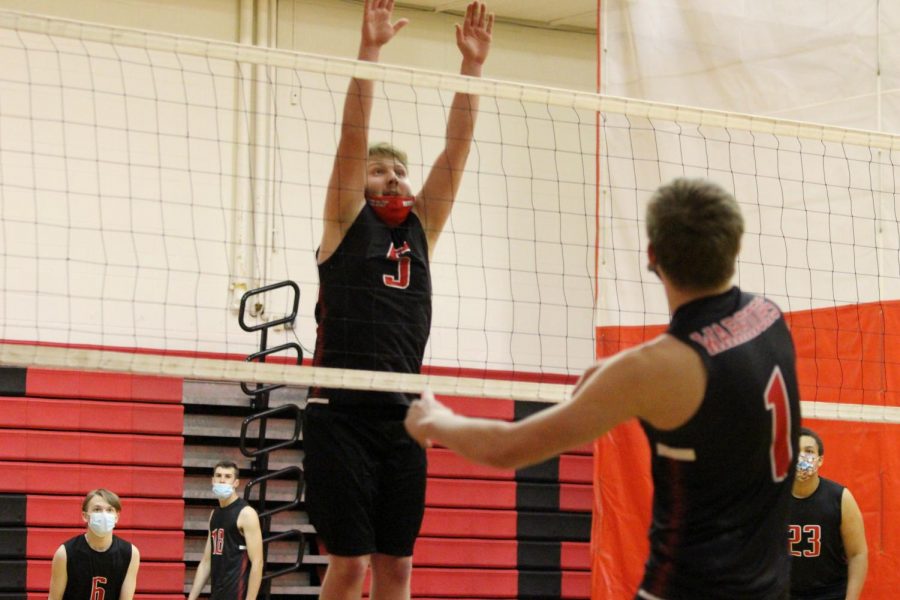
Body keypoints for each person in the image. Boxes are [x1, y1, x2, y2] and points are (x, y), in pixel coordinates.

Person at [406, 177, 803, 599]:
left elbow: (508, 447)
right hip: (769, 589)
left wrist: (436, 419)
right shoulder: (769, 316)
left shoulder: (655, 369)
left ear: (652, 256)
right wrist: (617, 369)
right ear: (735, 244)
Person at [303, 0, 493, 598]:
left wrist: (473, 69)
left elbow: (456, 151)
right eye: (379, 171)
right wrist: (372, 51)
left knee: (398, 566)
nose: (391, 179)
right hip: (341, 413)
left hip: (404, 417)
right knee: (350, 563)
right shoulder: (343, 222)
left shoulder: (421, 230)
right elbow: (352, 136)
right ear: (360, 183)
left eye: (399, 173)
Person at [789, 427, 868, 599]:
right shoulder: (773, 499)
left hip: (829, 593)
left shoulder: (841, 498)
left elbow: (857, 553)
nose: (802, 457)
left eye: (809, 451)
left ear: (820, 460)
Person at [187, 461, 264, 600]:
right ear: (212, 480)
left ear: (236, 483)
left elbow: (257, 563)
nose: (222, 480)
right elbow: (206, 562)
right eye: (218, 475)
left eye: (228, 476)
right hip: (217, 592)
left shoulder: (246, 513)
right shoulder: (214, 515)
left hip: (237, 593)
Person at [48, 489, 140, 600]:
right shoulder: (65, 553)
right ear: (85, 516)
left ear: (117, 517)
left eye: (109, 510)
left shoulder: (130, 553)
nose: (104, 515)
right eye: (97, 509)